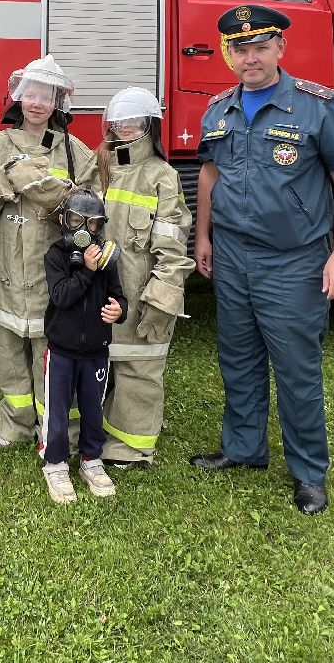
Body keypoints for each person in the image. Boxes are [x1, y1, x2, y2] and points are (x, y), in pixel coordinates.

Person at [190, 4, 334, 515]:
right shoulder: (219, 109)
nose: (249, 58)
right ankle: (244, 449)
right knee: (238, 359)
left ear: (280, 49)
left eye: (259, 47)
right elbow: (209, 176)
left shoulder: (316, 105)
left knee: (295, 368)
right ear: (229, 54)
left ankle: (309, 472)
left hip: (293, 261)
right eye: (239, 49)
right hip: (231, 255)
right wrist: (203, 238)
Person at [0, 56, 96, 448]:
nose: (36, 103)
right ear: (18, 98)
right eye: (30, 95)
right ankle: (16, 425)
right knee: (3, 350)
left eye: (45, 96)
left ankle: (55, 427)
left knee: (51, 354)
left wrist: (58, 197)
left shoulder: (74, 151)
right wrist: (6, 176)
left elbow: (91, 207)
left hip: (50, 275)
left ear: (58, 102)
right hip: (2, 270)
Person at [96, 88, 195, 468]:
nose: (125, 128)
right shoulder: (100, 164)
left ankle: (132, 448)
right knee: (96, 362)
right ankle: (94, 432)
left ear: (150, 126)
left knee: (139, 367)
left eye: (134, 121)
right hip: (97, 291)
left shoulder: (162, 177)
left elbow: (172, 248)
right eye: (119, 121)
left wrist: (163, 298)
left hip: (138, 293)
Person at [41, 190, 127, 503]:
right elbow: (61, 296)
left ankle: (92, 459)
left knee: (93, 408)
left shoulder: (108, 259)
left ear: (100, 226)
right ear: (64, 220)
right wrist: (87, 272)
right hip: (61, 350)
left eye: (92, 224)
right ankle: (55, 463)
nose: (84, 231)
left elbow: (120, 297)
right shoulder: (56, 255)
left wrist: (119, 311)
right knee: (58, 410)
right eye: (76, 221)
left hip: (96, 352)